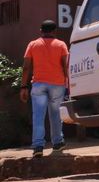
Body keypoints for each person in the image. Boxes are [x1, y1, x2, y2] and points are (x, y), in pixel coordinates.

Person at [19, 20, 69, 157]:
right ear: (54, 31)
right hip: (58, 84)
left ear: (41, 30)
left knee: (38, 116)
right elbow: (66, 66)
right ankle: (57, 142)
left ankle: (38, 147)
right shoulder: (61, 44)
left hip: (39, 85)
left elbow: (26, 68)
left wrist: (23, 86)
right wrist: (68, 83)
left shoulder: (33, 44)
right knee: (55, 115)